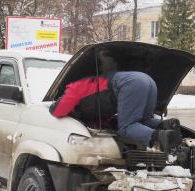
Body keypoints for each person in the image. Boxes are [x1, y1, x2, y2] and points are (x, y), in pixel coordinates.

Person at [49, 55, 181, 152]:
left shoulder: (75, 87)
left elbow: (58, 110)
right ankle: (166, 125)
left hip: (130, 84)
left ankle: (161, 137)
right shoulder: (95, 90)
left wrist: (52, 106)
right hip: (148, 80)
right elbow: (106, 119)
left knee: (127, 128)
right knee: (143, 121)